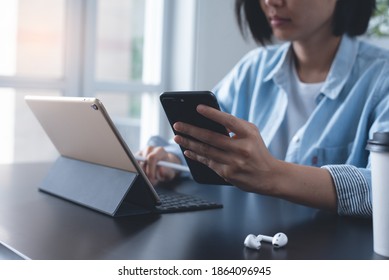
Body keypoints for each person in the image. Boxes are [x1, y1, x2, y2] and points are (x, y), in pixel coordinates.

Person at [138, 0, 389, 217]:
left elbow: (383, 190)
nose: (271, 1)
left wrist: (273, 175)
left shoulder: (381, 77)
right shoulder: (254, 69)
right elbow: (211, 141)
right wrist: (170, 158)